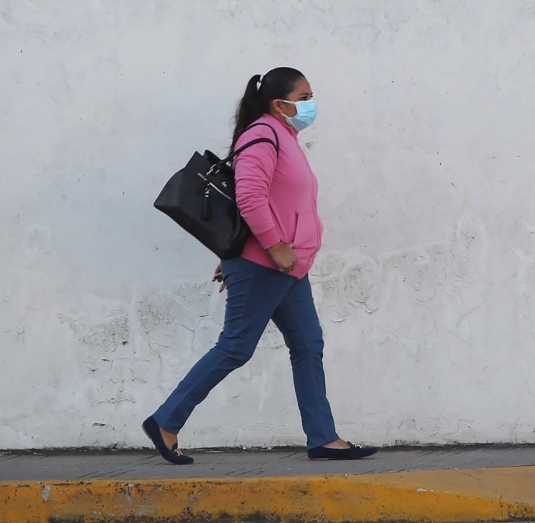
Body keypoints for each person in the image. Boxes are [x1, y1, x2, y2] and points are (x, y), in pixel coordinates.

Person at [143, 67, 377, 464]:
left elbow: (272, 201)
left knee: (307, 345)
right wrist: (271, 248)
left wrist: (252, 253)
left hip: (287, 266)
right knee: (235, 347)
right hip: (270, 263)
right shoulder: (262, 135)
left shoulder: (284, 136)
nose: (310, 104)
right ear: (278, 103)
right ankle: (166, 421)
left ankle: (322, 438)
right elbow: (249, 196)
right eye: (304, 97)